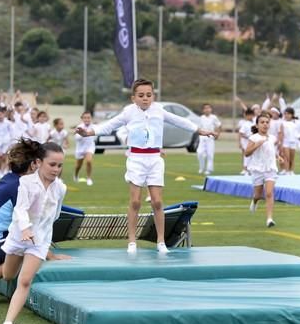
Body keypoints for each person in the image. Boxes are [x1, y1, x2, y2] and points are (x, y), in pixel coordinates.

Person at [76, 79, 213, 253]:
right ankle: (132, 241)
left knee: (157, 202)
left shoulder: (159, 111)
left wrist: (200, 130)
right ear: (133, 98)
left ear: (153, 96)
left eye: (149, 95)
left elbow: (179, 121)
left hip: (155, 159)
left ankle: (161, 241)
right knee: (135, 202)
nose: (145, 98)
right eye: (141, 95)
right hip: (136, 159)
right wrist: (89, 132)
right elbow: (110, 125)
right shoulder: (128, 112)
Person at [0, 139, 70, 305]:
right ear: (33, 166)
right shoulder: (21, 186)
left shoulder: (11, 180)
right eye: (41, 163)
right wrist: (49, 254)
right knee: (24, 246)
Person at [0, 142, 66, 324]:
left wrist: (43, 235)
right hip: (19, 235)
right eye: (52, 164)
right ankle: (16, 260)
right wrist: (26, 228)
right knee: (7, 275)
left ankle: (8, 323)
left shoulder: (60, 188)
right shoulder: (26, 182)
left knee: (25, 280)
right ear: (38, 162)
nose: (56, 169)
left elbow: (56, 213)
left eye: (60, 166)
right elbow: (20, 208)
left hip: (40, 239)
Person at [245, 111, 283, 227]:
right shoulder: (254, 138)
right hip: (257, 169)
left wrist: (278, 157)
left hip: (270, 168)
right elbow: (247, 153)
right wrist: (257, 145)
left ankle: (269, 219)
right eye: (262, 122)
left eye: (267, 122)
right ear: (257, 125)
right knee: (258, 195)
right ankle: (255, 201)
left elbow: (271, 150)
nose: (265, 124)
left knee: (269, 193)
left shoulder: (272, 138)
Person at [196, 104, 221, 176]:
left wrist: (217, 134)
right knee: (199, 152)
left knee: (210, 154)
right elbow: (199, 128)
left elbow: (219, 125)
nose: (207, 109)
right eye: (205, 108)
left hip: (210, 137)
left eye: (208, 108)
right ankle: (201, 168)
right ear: (203, 110)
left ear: (211, 109)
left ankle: (209, 169)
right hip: (202, 137)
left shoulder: (214, 117)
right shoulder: (201, 118)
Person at [73, 111, 96, 186]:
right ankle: (76, 175)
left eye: (88, 117)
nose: (87, 119)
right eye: (85, 118)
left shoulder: (94, 126)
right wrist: (82, 134)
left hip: (90, 147)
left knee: (89, 161)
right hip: (80, 149)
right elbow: (76, 139)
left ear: (91, 118)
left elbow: (97, 134)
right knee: (78, 166)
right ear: (82, 118)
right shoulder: (79, 127)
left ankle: (89, 178)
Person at [0, 107, 13, 177]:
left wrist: (11, 143)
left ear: (3, 114)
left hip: (6, 142)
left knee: (5, 157)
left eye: (0, 115)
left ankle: (3, 171)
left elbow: (11, 133)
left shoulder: (8, 123)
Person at [238, 108, 255, 175]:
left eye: (251, 115)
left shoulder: (254, 123)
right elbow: (241, 133)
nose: (250, 117)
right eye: (248, 115)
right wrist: (248, 137)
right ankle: (245, 170)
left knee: (252, 156)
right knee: (247, 155)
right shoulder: (245, 124)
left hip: (252, 142)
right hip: (245, 142)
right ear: (246, 116)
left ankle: (250, 169)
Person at [280, 107, 297, 175]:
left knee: (292, 158)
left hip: (293, 142)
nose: (287, 115)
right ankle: (287, 171)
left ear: (292, 115)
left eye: (288, 114)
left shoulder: (295, 123)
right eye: (285, 114)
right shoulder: (283, 123)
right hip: (285, 142)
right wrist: (281, 144)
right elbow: (282, 134)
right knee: (287, 157)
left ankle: (291, 171)